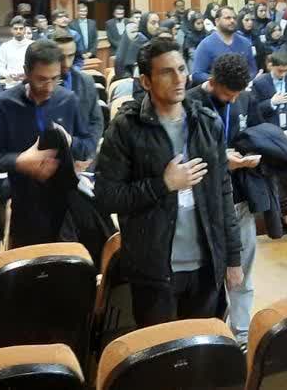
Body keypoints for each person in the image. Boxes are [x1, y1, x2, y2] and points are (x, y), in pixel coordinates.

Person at [95, 38, 243, 327]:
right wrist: (163, 184)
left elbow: (223, 193)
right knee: (161, 350)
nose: (178, 79)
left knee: (200, 347)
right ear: (146, 81)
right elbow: (107, 196)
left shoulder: (206, 122)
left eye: (182, 69)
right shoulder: (126, 128)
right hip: (154, 270)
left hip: (205, 266)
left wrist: (233, 257)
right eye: (166, 72)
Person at [184, 53, 265, 346]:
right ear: (213, 81)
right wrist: (219, 161)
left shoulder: (243, 98)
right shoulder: (190, 103)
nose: (233, 100)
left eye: (238, 94)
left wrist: (248, 156)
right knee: (210, 275)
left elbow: (255, 134)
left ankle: (241, 335)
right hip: (205, 203)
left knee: (242, 271)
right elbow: (185, 157)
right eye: (228, 94)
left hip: (240, 196)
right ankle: (210, 335)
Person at [0, 40, 96, 247]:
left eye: (55, 78)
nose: (49, 87)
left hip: (66, 206)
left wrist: (70, 141)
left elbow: (88, 145)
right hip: (25, 204)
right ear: (26, 72)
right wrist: (20, 161)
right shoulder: (4, 104)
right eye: (42, 80)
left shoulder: (68, 100)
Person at [54, 33, 105, 153]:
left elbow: (96, 122)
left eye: (71, 56)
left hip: (82, 153)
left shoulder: (86, 81)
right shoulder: (40, 85)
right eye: (61, 57)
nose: (67, 63)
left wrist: (86, 151)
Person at [191, 6, 257, 84]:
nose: (232, 21)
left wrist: (245, 80)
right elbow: (197, 74)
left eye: (234, 18)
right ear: (217, 21)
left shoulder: (245, 43)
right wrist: (218, 80)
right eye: (227, 18)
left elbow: (252, 69)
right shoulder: (206, 45)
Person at [0, 16, 32, 86]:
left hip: (29, 83)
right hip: (11, 84)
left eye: (21, 28)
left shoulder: (32, 45)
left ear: (25, 29)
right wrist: (9, 75)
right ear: (11, 30)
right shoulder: (5, 46)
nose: (18, 31)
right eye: (15, 29)